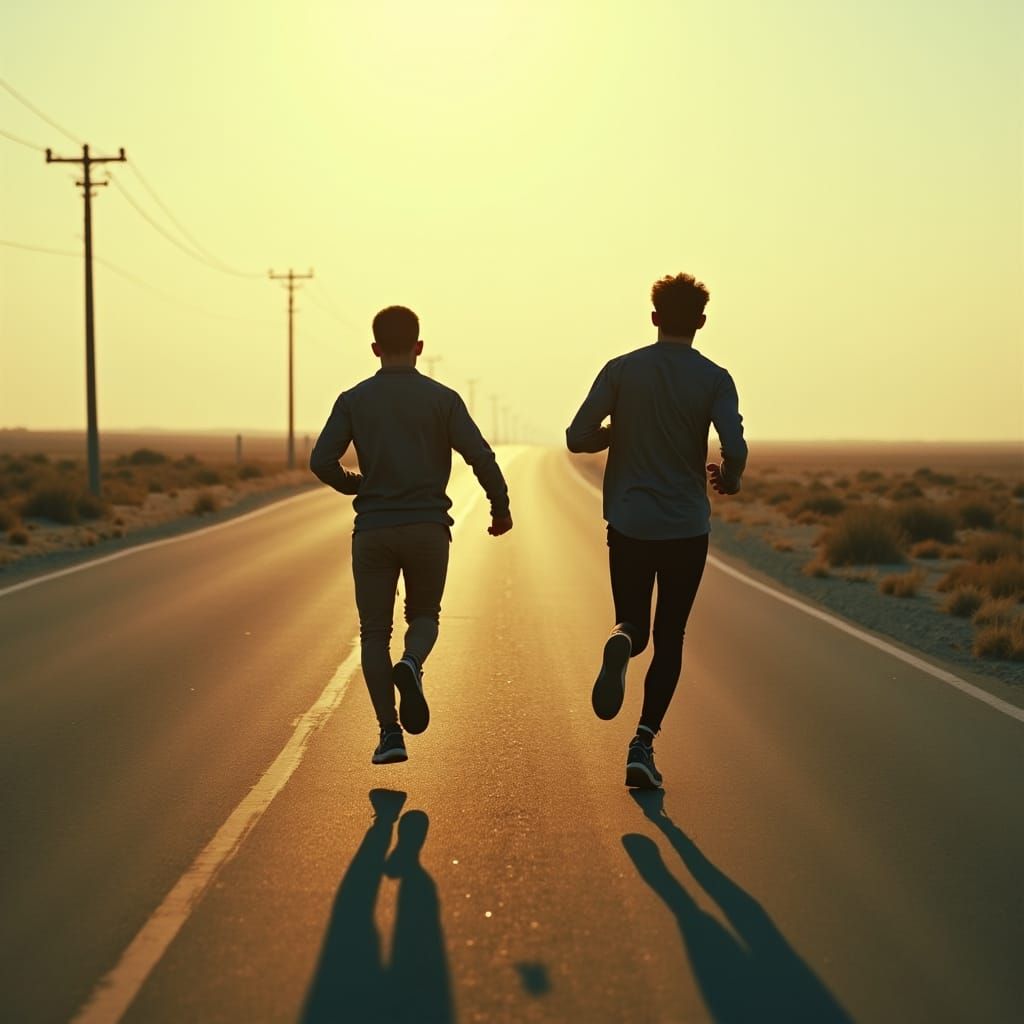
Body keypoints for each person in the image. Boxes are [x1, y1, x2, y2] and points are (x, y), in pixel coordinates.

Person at [566, 273, 747, 789]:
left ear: (654, 318)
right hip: (686, 526)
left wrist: (615, 432)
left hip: (629, 522)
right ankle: (642, 743)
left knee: (634, 624)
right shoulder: (714, 378)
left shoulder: (622, 370)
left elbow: (577, 436)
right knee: (671, 636)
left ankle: (621, 640)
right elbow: (734, 445)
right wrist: (730, 477)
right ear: (701, 322)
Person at [310, 306, 513, 765]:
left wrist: (356, 484)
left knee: (373, 634)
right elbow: (480, 456)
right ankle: (413, 663)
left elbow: (321, 461)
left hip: (373, 531)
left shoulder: (353, 400)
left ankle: (389, 734)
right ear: (419, 347)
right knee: (424, 615)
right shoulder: (443, 400)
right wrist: (500, 507)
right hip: (427, 529)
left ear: (375, 348)